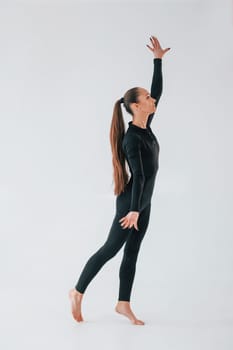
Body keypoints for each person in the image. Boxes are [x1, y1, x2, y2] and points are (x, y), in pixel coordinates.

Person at [69, 36, 170, 325]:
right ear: (137, 106)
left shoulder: (145, 126)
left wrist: (158, 60)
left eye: (151, 98)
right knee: (110, 249)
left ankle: (123, 303)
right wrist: (135, 210)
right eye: (147, 98)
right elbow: (138, 175)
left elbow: (159, 92)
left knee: (132, 252)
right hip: (132, 203)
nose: (153, 100)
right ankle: (77, 291)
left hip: (143, 202)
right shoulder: (132, 139)